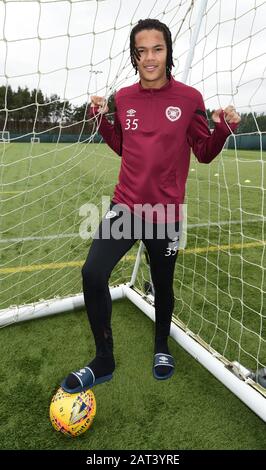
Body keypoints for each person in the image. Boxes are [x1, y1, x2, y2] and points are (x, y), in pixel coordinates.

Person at [61, 18, 240, 393]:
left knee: (163, 284)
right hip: (124, 207)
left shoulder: (189, 99)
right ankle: (104, 360)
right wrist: (101, 120)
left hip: (165, 215)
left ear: (168, 51)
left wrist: (223, 127)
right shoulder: (123, 98)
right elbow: (125, 147)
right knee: (92, 274)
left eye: (156, 49)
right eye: (141, 52)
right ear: (134, 56)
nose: (149, 58)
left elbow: (204, 153)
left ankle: (161, 346)